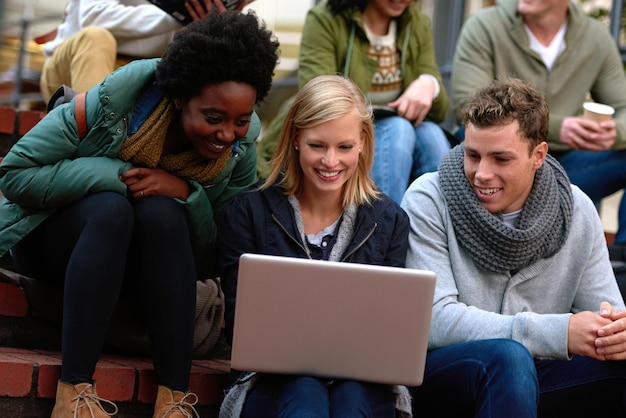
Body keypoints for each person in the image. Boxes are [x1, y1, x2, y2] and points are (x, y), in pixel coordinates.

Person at [0, 10, 278, 418]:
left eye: (240, 120)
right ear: (180, 96)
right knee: (114, 209)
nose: (227, 135)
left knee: (163, 212)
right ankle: (74, 392)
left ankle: (173, 400)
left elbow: (215, 249)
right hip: (56, 243)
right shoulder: (116, 100)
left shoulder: (240, 148)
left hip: (141, 267)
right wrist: (117, 176)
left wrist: (187, 194)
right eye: (214, 118)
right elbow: (16, 172)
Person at [402, 77, 626, 417]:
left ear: (538, 155)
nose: (481, 173)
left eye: (500, 159)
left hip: (539, 377)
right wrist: (559, 332)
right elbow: (433, 321)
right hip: (448, 375)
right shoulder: (429, 198)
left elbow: (606, 313)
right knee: (509, 357)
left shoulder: (576, 208)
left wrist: (615, 334)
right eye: (472, 155)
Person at [217, 75, 412, 417]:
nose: (330, 162)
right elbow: (240, 325)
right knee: (306, 391)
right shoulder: (247, 212)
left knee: (351, 396)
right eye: (317, 146)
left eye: (344, 147)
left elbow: (388, 333)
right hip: (271, 381)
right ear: (295, 138)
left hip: (361, 384)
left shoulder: (389, 220)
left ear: (364, 142)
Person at [451, 0, 626, 245]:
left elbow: (623, 107)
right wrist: (558, 128)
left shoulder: (595, 36)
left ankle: (621, 264)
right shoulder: (485, 25)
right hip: (496, 166)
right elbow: (466, 104)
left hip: (566, 167)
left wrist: (613, 132)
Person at [257, 0, 451, 205]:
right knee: (399, 129)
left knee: (432, 134)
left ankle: (439, 229)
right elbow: (319, 99)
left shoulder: (416, 22)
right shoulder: (325, 19)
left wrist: (429, 84)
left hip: (404, 125)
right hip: (345, 126)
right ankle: (377, 227)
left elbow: (441, 112)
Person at [39, 0, 252, 103]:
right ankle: (95, 135)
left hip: (142, 76)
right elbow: (93, 17)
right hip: (70, 69)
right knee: (96, 37)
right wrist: (175, 16)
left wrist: (217, 22)